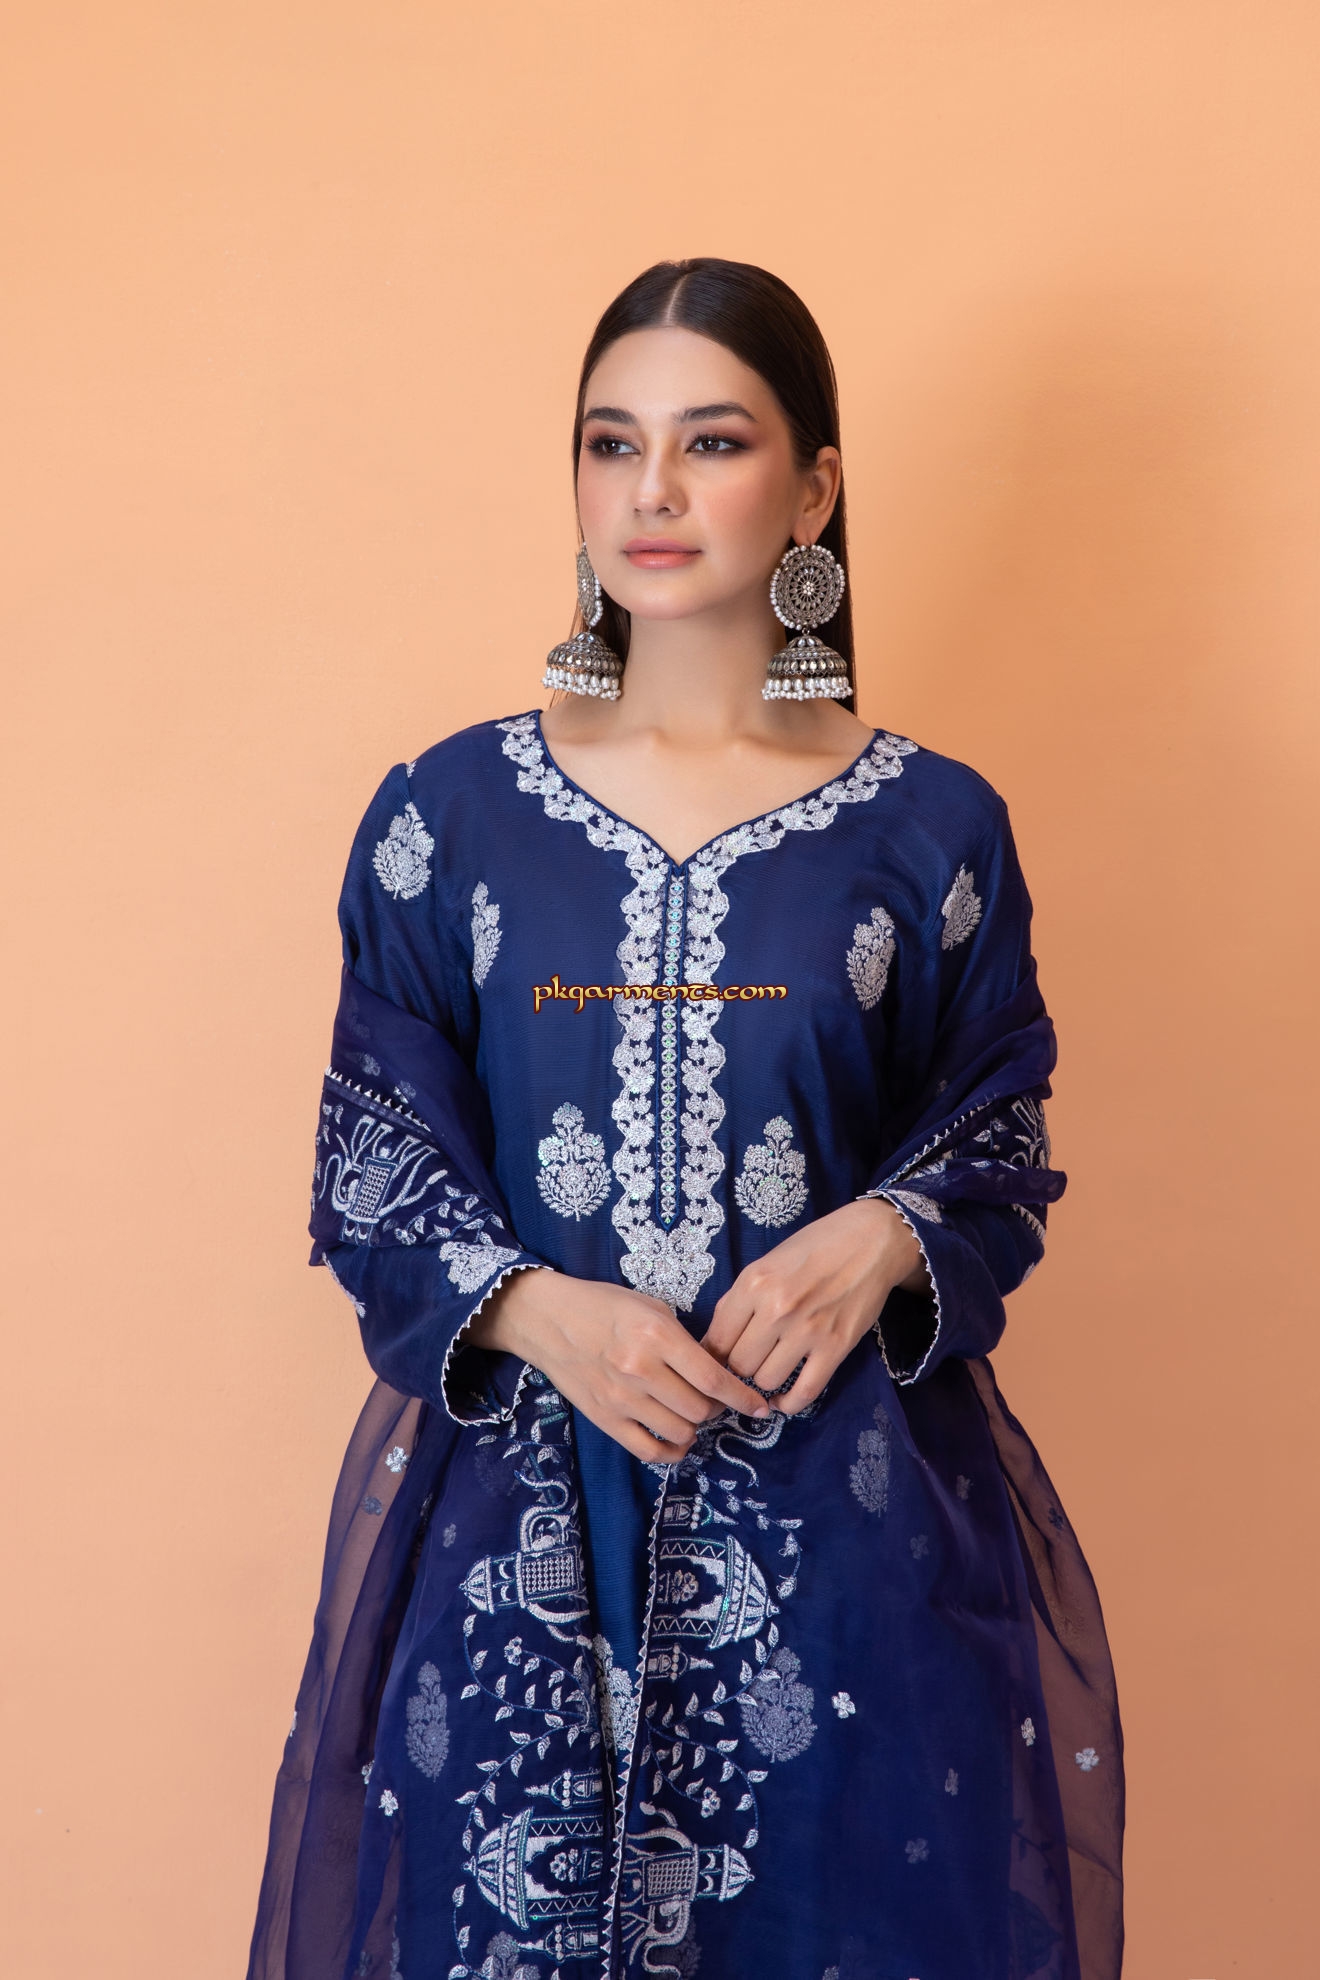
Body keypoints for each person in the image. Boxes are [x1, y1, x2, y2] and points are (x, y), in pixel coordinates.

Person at [248, 258, 1124, 1980]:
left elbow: (996, 1131)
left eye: (711, 442)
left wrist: (885, 1236)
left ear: (813, 489)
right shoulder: (449, 818)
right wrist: (533, 1308)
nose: (651, 489)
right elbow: (375, 1153)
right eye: (612, 442)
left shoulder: (933, 828)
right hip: (519, 1541)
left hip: (846, 1555)